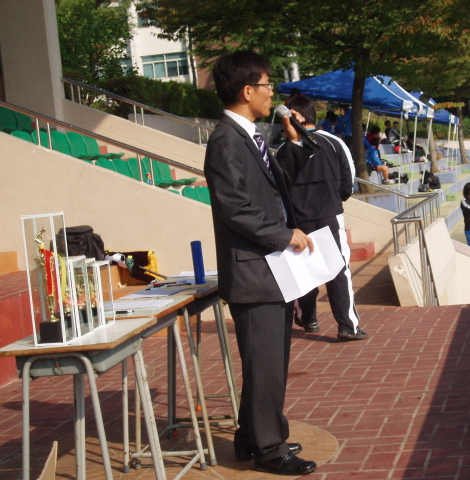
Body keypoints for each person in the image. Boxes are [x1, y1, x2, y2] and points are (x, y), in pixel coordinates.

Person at [204, 50, 317, 476]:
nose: (273, 93)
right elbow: (235, 207)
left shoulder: (248, 136)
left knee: (265, 361)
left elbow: (272, 185)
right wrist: (283, 235)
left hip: (270, 267)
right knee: (266, 363)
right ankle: (270, 448)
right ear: (248, 90)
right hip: (254, 271)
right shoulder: (226, 140)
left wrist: (294, 142)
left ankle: (251, 435)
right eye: (268, 85)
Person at [283, 95, 367, 341]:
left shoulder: (287, 148)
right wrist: (333, 199)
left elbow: (280, 184)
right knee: (338, 269)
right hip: (329, 214)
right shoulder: (334, 142)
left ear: (295, 116)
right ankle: (347, 325)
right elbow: (348, 183)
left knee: (303, 268)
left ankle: (308, 318)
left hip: (298, 219)